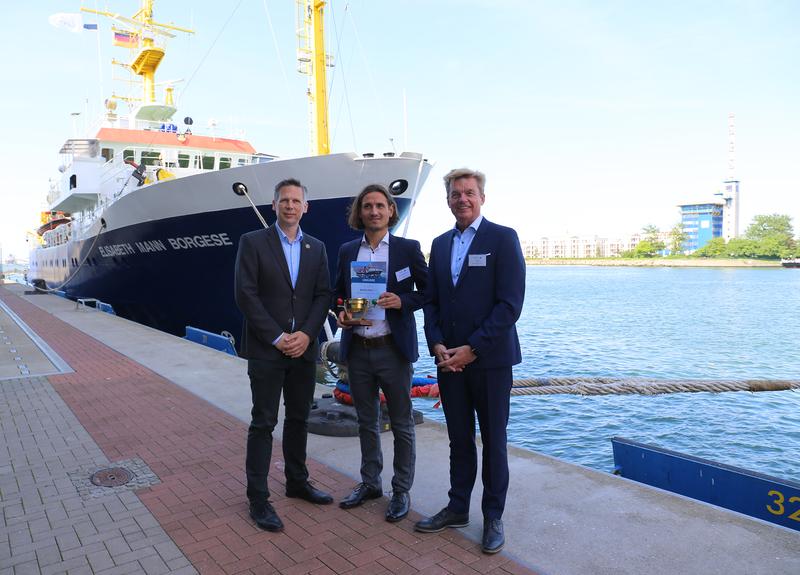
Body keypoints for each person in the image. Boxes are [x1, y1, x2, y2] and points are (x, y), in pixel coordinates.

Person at [416, 168, 525, 554]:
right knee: (459, 439)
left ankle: (493, 515)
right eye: (455, 194)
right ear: (447, 200)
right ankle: (458, 506)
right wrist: (437, 343)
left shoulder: (503, 238)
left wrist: (473, 348)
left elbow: (510, 305)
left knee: (494, 441)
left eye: (469, 193)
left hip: (491, 362)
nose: (462, 199)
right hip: (449, 363)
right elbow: (432, 302)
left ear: (482, 197)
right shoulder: (440, 244)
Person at [234, 178, 333, 532]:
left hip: (303, 351)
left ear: (306, 207)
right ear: (273, 206)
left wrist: (306, 334)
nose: (290, 206)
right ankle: (258, 498)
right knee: (263, 422)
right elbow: (246, 295)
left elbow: (323, 295)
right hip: (266, 349)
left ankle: (296, 481)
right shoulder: (252, 242)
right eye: (284, 200)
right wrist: (278, 337)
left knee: (299, 419)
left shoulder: (317, 248)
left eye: (296, 201)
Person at [334, 184, 427, 522]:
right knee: (366, 421)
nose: (373, 211)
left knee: (401, 423)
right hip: (358, 348)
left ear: (390, 210)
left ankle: (401, 490)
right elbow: (337, 293)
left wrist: (403, 300)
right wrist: (341, 313)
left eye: (379, 206)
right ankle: (370, 482)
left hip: (394, 350)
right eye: (367, 206)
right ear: (359, 213)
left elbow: (428, 293)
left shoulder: (407, 249)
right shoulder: (346, 251)